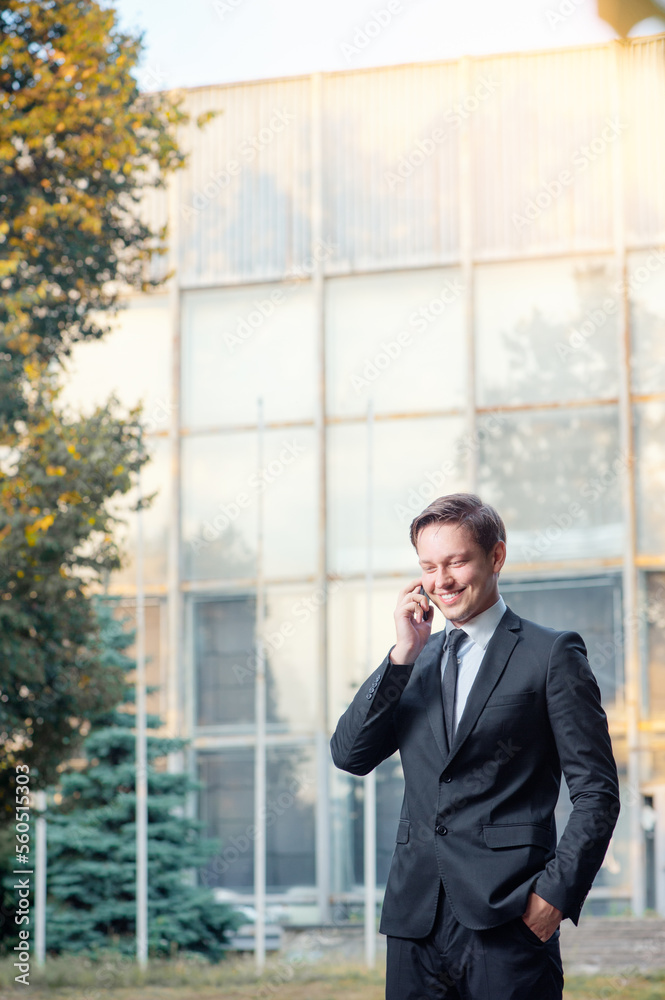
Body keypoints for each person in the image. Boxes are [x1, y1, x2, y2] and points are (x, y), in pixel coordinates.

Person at [330, 493, 620, 1000]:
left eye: (456, 562)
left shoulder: (551, 653)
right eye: (428, 567)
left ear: (496, 557)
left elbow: (596, 792)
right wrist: (401, 655)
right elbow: (350, 755)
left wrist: (554, 896)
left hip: (508, 920)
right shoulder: (414, 658)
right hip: (414, 921)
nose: (441, 581)